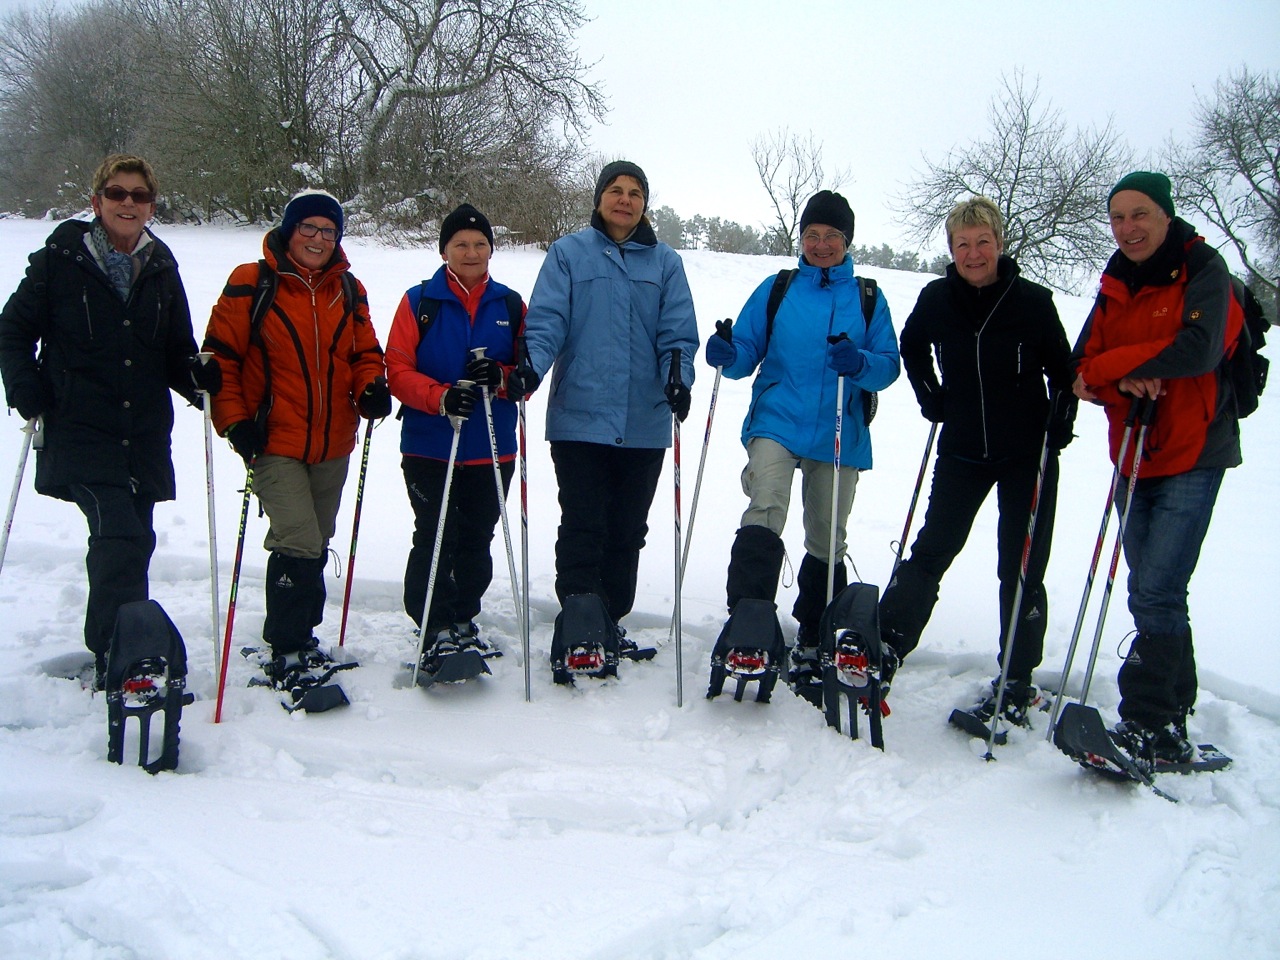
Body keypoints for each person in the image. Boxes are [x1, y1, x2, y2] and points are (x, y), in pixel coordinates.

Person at [0, 153, 221, 688]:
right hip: (80, 426)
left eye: (139, 196)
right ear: (96, 202)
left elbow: (175, 350)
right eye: (117, 194)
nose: (128, 203)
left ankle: (121, 642)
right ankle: (120, 655)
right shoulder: (60, 259)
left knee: (132, 539)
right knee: (119, 534)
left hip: (141, 432)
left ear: (150, 206)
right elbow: (11, 328)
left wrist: (198, 380)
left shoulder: (161, 266)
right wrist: (27, 389)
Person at [878, 196, 1077, 725]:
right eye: (962, 244)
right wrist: (929, 394)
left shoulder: (1032, 301)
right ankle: (885, 649)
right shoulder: (937, 298)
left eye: (982, 242)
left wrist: (1062, 418)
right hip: (963, 448)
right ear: (951, 248)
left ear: (1000, 243)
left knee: (1021, 565)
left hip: (1025, 453)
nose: (972, 253)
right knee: (931, 550)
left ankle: (1016, 679)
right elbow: (912, 345)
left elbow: (1063, 369)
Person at [1072, 170, 1243, 767]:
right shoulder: (1116, 279)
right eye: (1118, 217)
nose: (1128, 228)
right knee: (1155, 590)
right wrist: (1120, 373)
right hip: (1134, 451)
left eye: (1139, 214)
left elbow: (1199, 349)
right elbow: (1079, 367)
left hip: (1195, 449)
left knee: (1156, 588)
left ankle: (1147, 722)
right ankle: (1174, 714)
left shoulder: (1205, 270)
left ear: (1165, 215)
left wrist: (1113, 369)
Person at [704, 189, 900, 694]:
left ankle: (815, 627)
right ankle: (749, 619)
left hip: (840, 429)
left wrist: (860, 362)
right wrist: (729, 352)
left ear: (847, 241)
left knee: (827, 532)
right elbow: (747, 351)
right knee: (765, 505)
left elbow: (888, 365)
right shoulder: (780, 287)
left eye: (831, 236)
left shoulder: (868, 297)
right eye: (812, 234)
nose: (820, 244)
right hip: (779, 418)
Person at [202, 189, 389, 689]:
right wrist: (236, 422)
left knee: (317, 538)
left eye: (329, 231)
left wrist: (370, 386)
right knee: (298, 539)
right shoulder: (252, 281)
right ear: (290, 230)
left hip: (333, 440)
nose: (318, 239)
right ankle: (284, 646)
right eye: (309, 228)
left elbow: (364, 352)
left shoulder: (348, 289)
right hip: (272, 439)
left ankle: (303, 637)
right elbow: (219, 358)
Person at [514, 160, 698, 664]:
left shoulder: (665, 263)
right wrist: (532, 366)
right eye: (615, 190)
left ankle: (609, 621)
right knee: (583, 522)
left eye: (635, 192)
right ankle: (579, 620)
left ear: (644, 204)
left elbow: (677, 334)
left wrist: (678, 379)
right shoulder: (568, 253)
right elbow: (548, 319)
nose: (625, 199)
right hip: (581, 417)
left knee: (627, 530)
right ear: (599, 199)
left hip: (645, 420)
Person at [385, 203, 525, 668]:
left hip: (491, 446)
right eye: (461, 244)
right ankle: (433, 622)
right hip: (430, 445)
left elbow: (528, 372)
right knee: (435, 534)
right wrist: (440, 397)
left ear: (491, 249)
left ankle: (464, 618)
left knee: (477, 537)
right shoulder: (419, 302)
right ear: (445, 249)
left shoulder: (508, 303)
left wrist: (501, 376)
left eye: (480, 244)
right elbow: (397, 369)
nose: (471, 252)